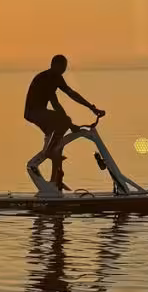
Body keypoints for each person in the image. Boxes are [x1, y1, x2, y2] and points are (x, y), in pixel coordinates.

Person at [24, 54, 104, 194]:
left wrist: (91, 108)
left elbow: (72, 94)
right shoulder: (47, 78)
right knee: (62, 126)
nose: (64, 69)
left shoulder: (57, 78)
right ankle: (49, 152)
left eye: (65, 67)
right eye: (62, 66)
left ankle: (55, 183)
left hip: (41, 112)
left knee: (59, 144)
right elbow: (55, 103)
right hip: (33, 112)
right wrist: (69, 123)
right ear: (54, 65)